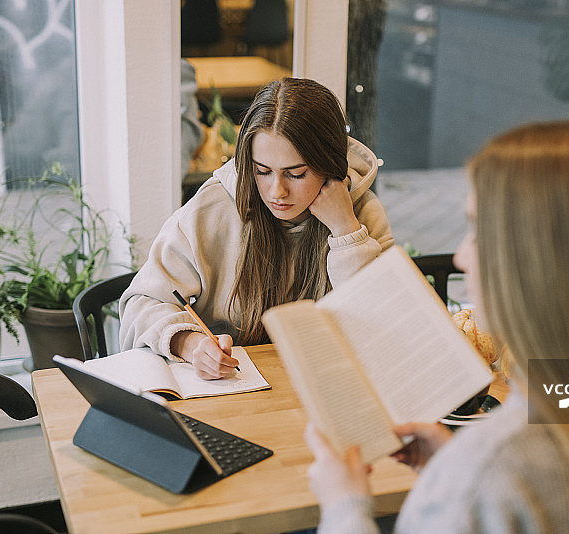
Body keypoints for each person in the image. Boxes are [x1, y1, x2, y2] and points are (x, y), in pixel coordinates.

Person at [305, 121, 569, 533]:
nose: (461, 256)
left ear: (537, 264)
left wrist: (344, 505)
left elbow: (502, 476)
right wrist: (453, 473)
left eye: (479, 232)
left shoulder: (488, 470)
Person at [119, 77, 394, 379]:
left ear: (330, 166)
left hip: (328, 387)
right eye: (262, 171)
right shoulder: (212, 208)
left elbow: (386, 326)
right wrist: (189, 342)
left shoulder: (363, 213)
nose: (276, 191)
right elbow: (141, 303)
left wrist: (346, 232)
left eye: (296, 174)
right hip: (230, 391)